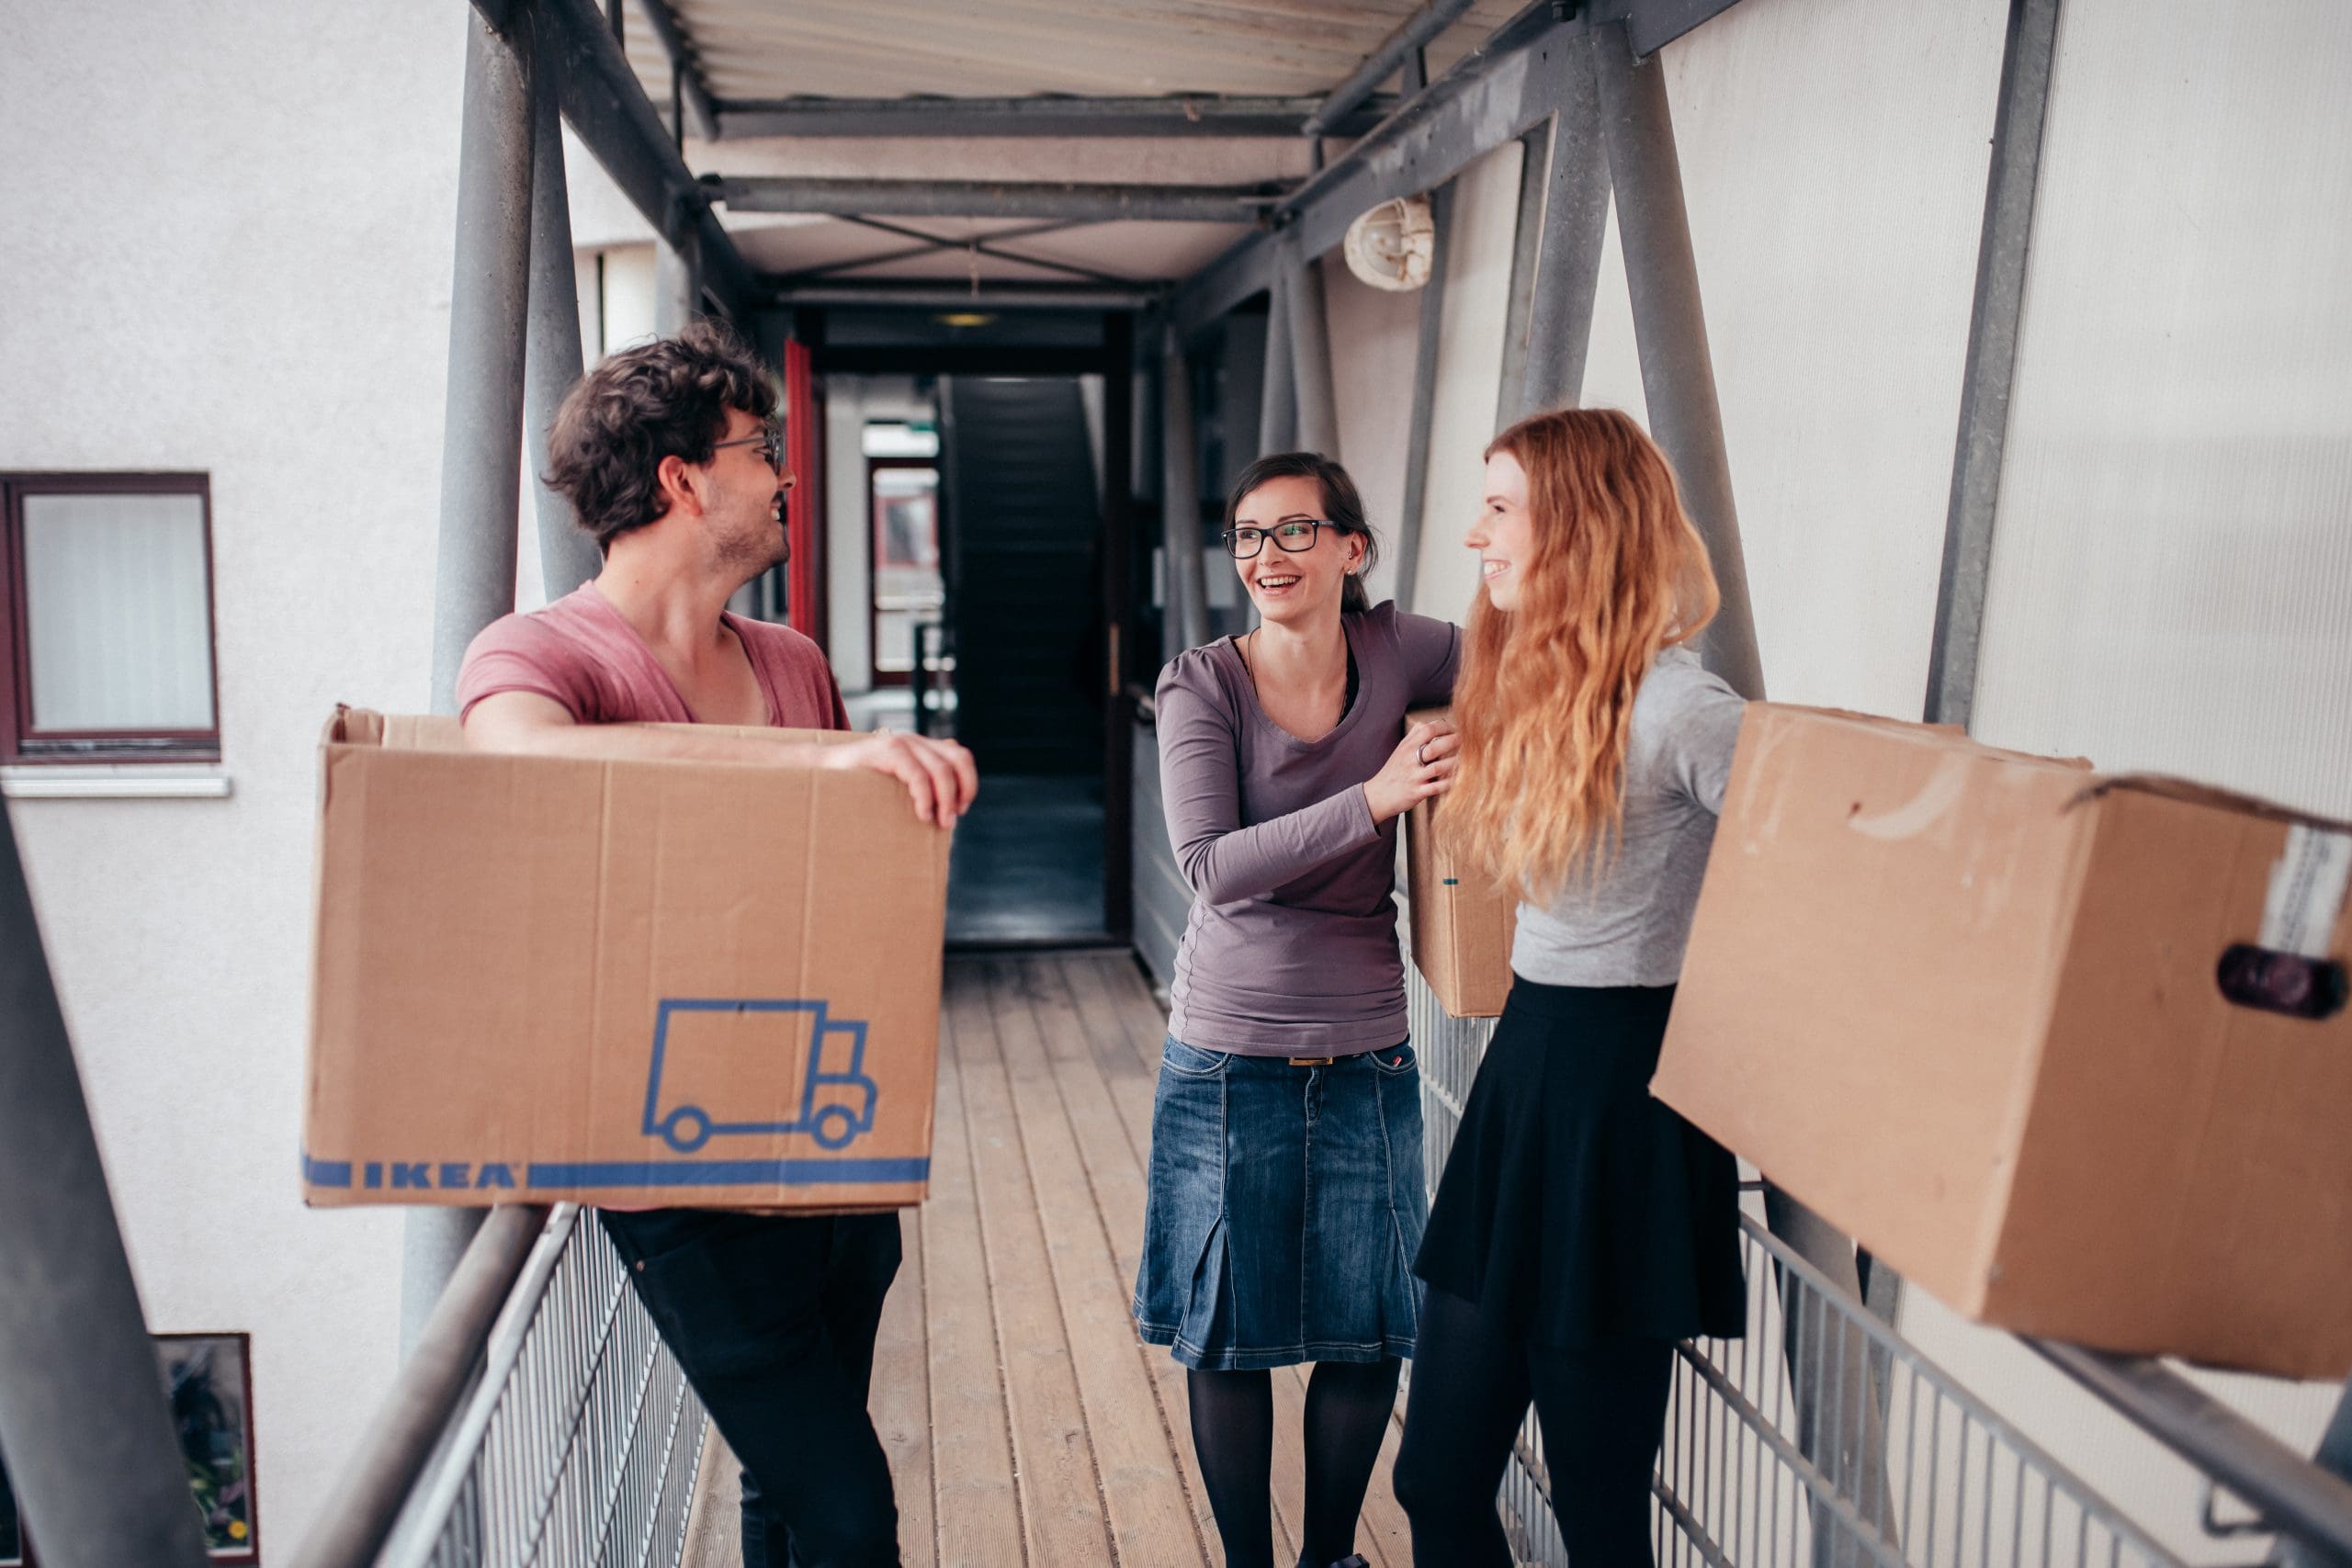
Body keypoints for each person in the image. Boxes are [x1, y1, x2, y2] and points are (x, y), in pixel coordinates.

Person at [458, 321, 976, 1568]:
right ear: (685, 479)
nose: (785, 473)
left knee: (789, 1488)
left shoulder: (793, 661)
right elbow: (522, 766)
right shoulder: (539, 653)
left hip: (834, 1149)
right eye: (764, 449)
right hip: (680, 1173)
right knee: (851, 1511)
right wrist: (812, 766)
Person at [1391, 409, 1747, 1566]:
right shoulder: (1535, 686)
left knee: (1599, 1516)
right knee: (1435, 1480)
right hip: (1527, 1074)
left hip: (1624, 1106)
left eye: (1498, 508)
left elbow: (1829, 879)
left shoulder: (1682, 711)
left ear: (1577, 527)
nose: (1472, 534)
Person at [1137, 452, 1460, 1568]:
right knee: (1226, 1337)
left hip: (1370, 1048)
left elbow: (1524, 668)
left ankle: (1327, 1560)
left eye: (1292, 533)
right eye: (1246, 537)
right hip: (1228, 1054)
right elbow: (1210, 866)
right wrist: (1373, 797)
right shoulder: (1203, 684)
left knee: (1370, 1330)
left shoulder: (1406, 649)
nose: (1264, 557)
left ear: (1350, 550)